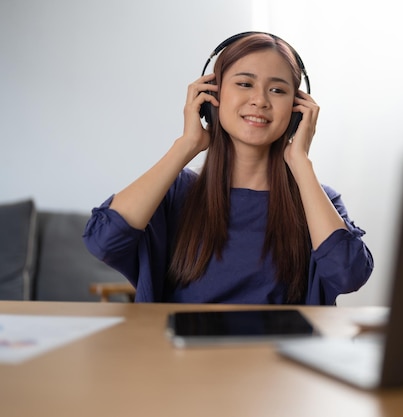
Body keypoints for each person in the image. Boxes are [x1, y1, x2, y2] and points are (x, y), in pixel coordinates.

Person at [83, 32, 373, 305]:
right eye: (245, 84)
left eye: (277, 90)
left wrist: (301, 163)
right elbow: (103, 242)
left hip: (276, 357)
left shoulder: (318, 201)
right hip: (181, 357)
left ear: (297, 112)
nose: (260, 100)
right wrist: (186, 144)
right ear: (212, 97)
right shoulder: (175, 192)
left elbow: (348, 275)